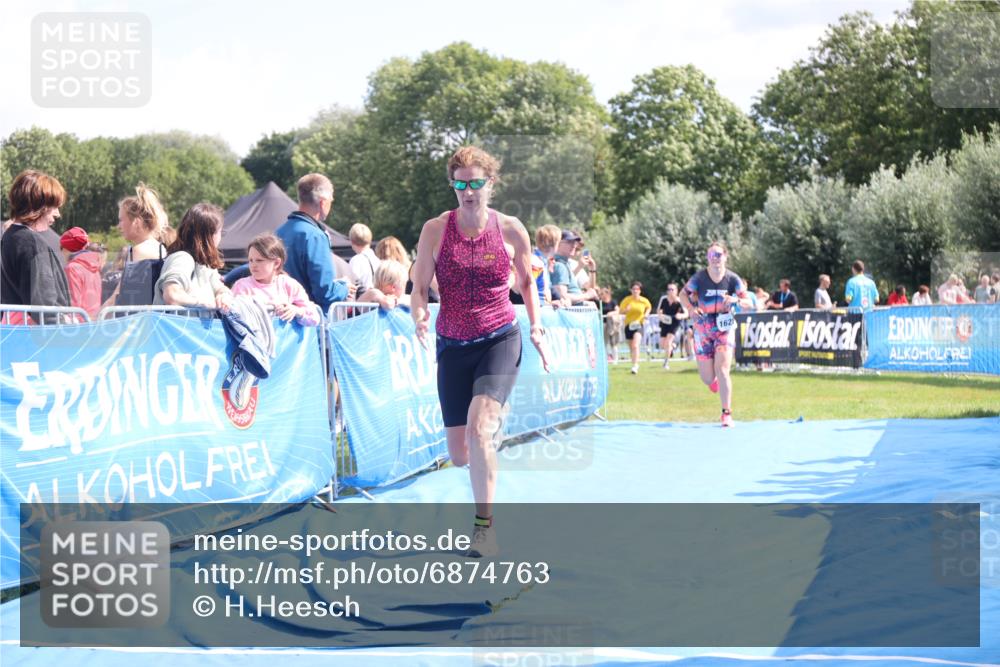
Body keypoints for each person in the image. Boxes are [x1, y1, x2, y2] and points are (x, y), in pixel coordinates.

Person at [410, 146, 549, 558]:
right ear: (452, 185)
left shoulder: (510, 229)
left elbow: (526, 284)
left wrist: (536, 324)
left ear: (490, 183)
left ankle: (484, 529)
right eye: (459, 183)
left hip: (499, 337)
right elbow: (418, 289)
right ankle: (483, 440)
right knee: (459, 455)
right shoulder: (435, 229)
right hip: (452, 343)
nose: (467, 191)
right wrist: (419, 316)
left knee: (480, 430)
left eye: (475, 183)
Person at [679, 241, 751, 428]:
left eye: (718, 255)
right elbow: (683, 294)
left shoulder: (733, 279)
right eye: (711, 256)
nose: (715, 259)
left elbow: (749, 303)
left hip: (724, 327)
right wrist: (690, 309)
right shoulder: (699, 278)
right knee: (707, 378)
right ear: (707, 259)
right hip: (703, 328)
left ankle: (726, 413)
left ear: (725, 257)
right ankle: (714, 382)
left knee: (723, 369)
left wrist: (735, 299)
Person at [276, 174, 354, 316]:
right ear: (323, 202)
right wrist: (344, 288)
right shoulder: (315, 236)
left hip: (281, 322)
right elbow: (324, 292)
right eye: (331, 200)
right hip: (310, 325)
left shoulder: (278, 232)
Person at [0, 170, 72, 324]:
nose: (57, 214)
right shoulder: (32, 244)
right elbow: (45, 307)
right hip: (38, 338)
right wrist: (65, 324)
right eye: (53, 206)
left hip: (14, 332)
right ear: (37, 204)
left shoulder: (9, 236)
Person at [154, 203, 233, 310]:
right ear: (209, 235)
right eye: (220, 232)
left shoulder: (205, 265)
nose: (220, 237)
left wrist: (223, 295)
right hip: (177, 326)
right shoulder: (182, 259)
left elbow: (219, 288)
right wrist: (204, 303)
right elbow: (172, 295)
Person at [230, 233, 319, 325]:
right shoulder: (242, 286)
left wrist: (296, 311)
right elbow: (231, 318)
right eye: (250, 260)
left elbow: (315, 318)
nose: (253, 265)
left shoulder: (288, 284)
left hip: (285, 339)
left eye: (259, 260)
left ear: (276, 263)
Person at [106, 183, 170, 306]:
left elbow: (118, 297)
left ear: (136, 221)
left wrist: (95, 319)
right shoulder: (162, 248)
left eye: (121, 220)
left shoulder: (138, 251)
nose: (118, 226)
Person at [60, 227, 103, 319]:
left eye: (61, 247)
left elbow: (74, 301)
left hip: (80, 324)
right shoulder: (95, 265)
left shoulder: (72, 268)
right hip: (95, 320)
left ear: (67, 248)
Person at [551, 229, 597, 306]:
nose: (574, 245)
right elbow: (562, 297)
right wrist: (586, 296)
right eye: (569, 242)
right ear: (558, 244)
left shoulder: (564, 264)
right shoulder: (560, 266)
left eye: (574, 242)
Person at [618, 281, 652, 374]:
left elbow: (649, 307)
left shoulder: (644, 300)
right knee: (631, 348)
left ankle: (635, 366)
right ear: (631, 290)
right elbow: (620, 311)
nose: (635, 291)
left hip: (639, 325)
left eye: (637, 289)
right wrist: (626, 310)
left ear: (640, 291)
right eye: (633, 289)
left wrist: (646, 314)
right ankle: (634, 362)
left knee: (635, 345)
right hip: (628, 326)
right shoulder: (627, 300)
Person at [656, 283, 687, 370]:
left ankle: (666, 363)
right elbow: (659, 310)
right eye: (669, 289)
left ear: (676, 291)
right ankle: (673, 347)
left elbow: (686, 313)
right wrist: (660, 315)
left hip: (675, 323)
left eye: (672, 289)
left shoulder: (679, 301)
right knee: (662, 344)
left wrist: (680, 316)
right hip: (665, 322)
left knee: (668, 342)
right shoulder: (663, 299)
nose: (670, 291)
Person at [533, 224, 560, 307]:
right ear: (554, 243)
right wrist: (548, 304)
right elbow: (531, 289)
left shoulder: (543, 261)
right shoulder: (536, 262)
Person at [349, 223, 380, 295]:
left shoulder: (356, 260)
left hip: (361, 302)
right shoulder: (378, 261)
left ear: (352, 241)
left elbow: (352, 284)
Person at [599, 285, 621, 363]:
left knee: (613, 342)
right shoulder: (600, 303)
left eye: (602, 294)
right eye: (600, 294)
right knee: (604, 342)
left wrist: (610, 313)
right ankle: (605, 358)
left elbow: (617, 310)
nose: (601, 295)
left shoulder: (613, 302)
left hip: (612, 325)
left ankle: (615, 359)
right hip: (603, 324)